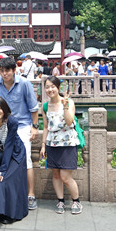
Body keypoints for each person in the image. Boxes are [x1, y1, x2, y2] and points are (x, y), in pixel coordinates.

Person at [0, 57, 40, 210]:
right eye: (2, 71)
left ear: (14, 70)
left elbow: (33, 108)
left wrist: (35, 127)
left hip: (22, 126)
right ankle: (8, 193)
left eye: (7, 70)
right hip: (4, 126)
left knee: (26, 160)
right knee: (4, 160)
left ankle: (31, 194)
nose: (4, 74)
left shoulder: (24, 83)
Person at [0, 96, 28, 224]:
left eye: (0, 108)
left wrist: (2, 170)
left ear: (5, 109)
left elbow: (9, 146)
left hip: (15, 154)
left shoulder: (12, 122)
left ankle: (11, 214)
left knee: (5, 179)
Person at [40, 76, 82, 215]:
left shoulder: (69, 102)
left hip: (68, 143)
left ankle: (76, 201)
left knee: (65, 177)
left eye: (53, 86)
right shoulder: (45, 106)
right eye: (47, 87)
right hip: (52, 143)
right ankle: (60, 201)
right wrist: (43, 145)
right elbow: (45, 127)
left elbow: (69, 122)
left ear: (58, 88)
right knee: (56, 175)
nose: (50, 89)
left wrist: (65, 106)